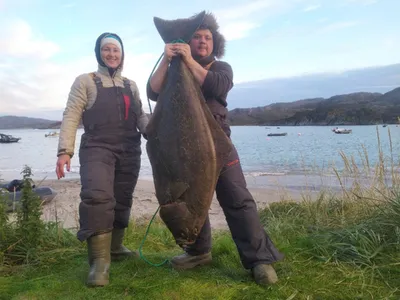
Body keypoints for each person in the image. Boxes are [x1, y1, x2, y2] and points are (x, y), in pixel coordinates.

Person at [147, 13, 284, 286]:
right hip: (182, 151)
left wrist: (186, 60)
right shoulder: (174, 66)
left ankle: (260, 261)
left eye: (207, 37)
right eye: (197, 36)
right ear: (188, 40)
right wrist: (167, 57)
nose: (202, 41)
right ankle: (198, 253)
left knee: (238, 200)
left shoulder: (222, 68)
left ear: (214, 43)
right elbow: (153, 91)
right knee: (190, 199)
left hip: (218, 149)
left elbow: (215, 85)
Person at [55, 32, 149, 287]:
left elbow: (141, 116)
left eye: (115, 50)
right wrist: (65, 150)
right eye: (106, 49)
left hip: (129, 150)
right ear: (99, 52)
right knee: (97, 198)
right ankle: (99, 263)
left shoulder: (131, 84)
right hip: (97, 148)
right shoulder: (86, 81)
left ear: (122, 54)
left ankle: (116, 248)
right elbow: (72, 114)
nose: (111, 54)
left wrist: (157, 132)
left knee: (122, 200)